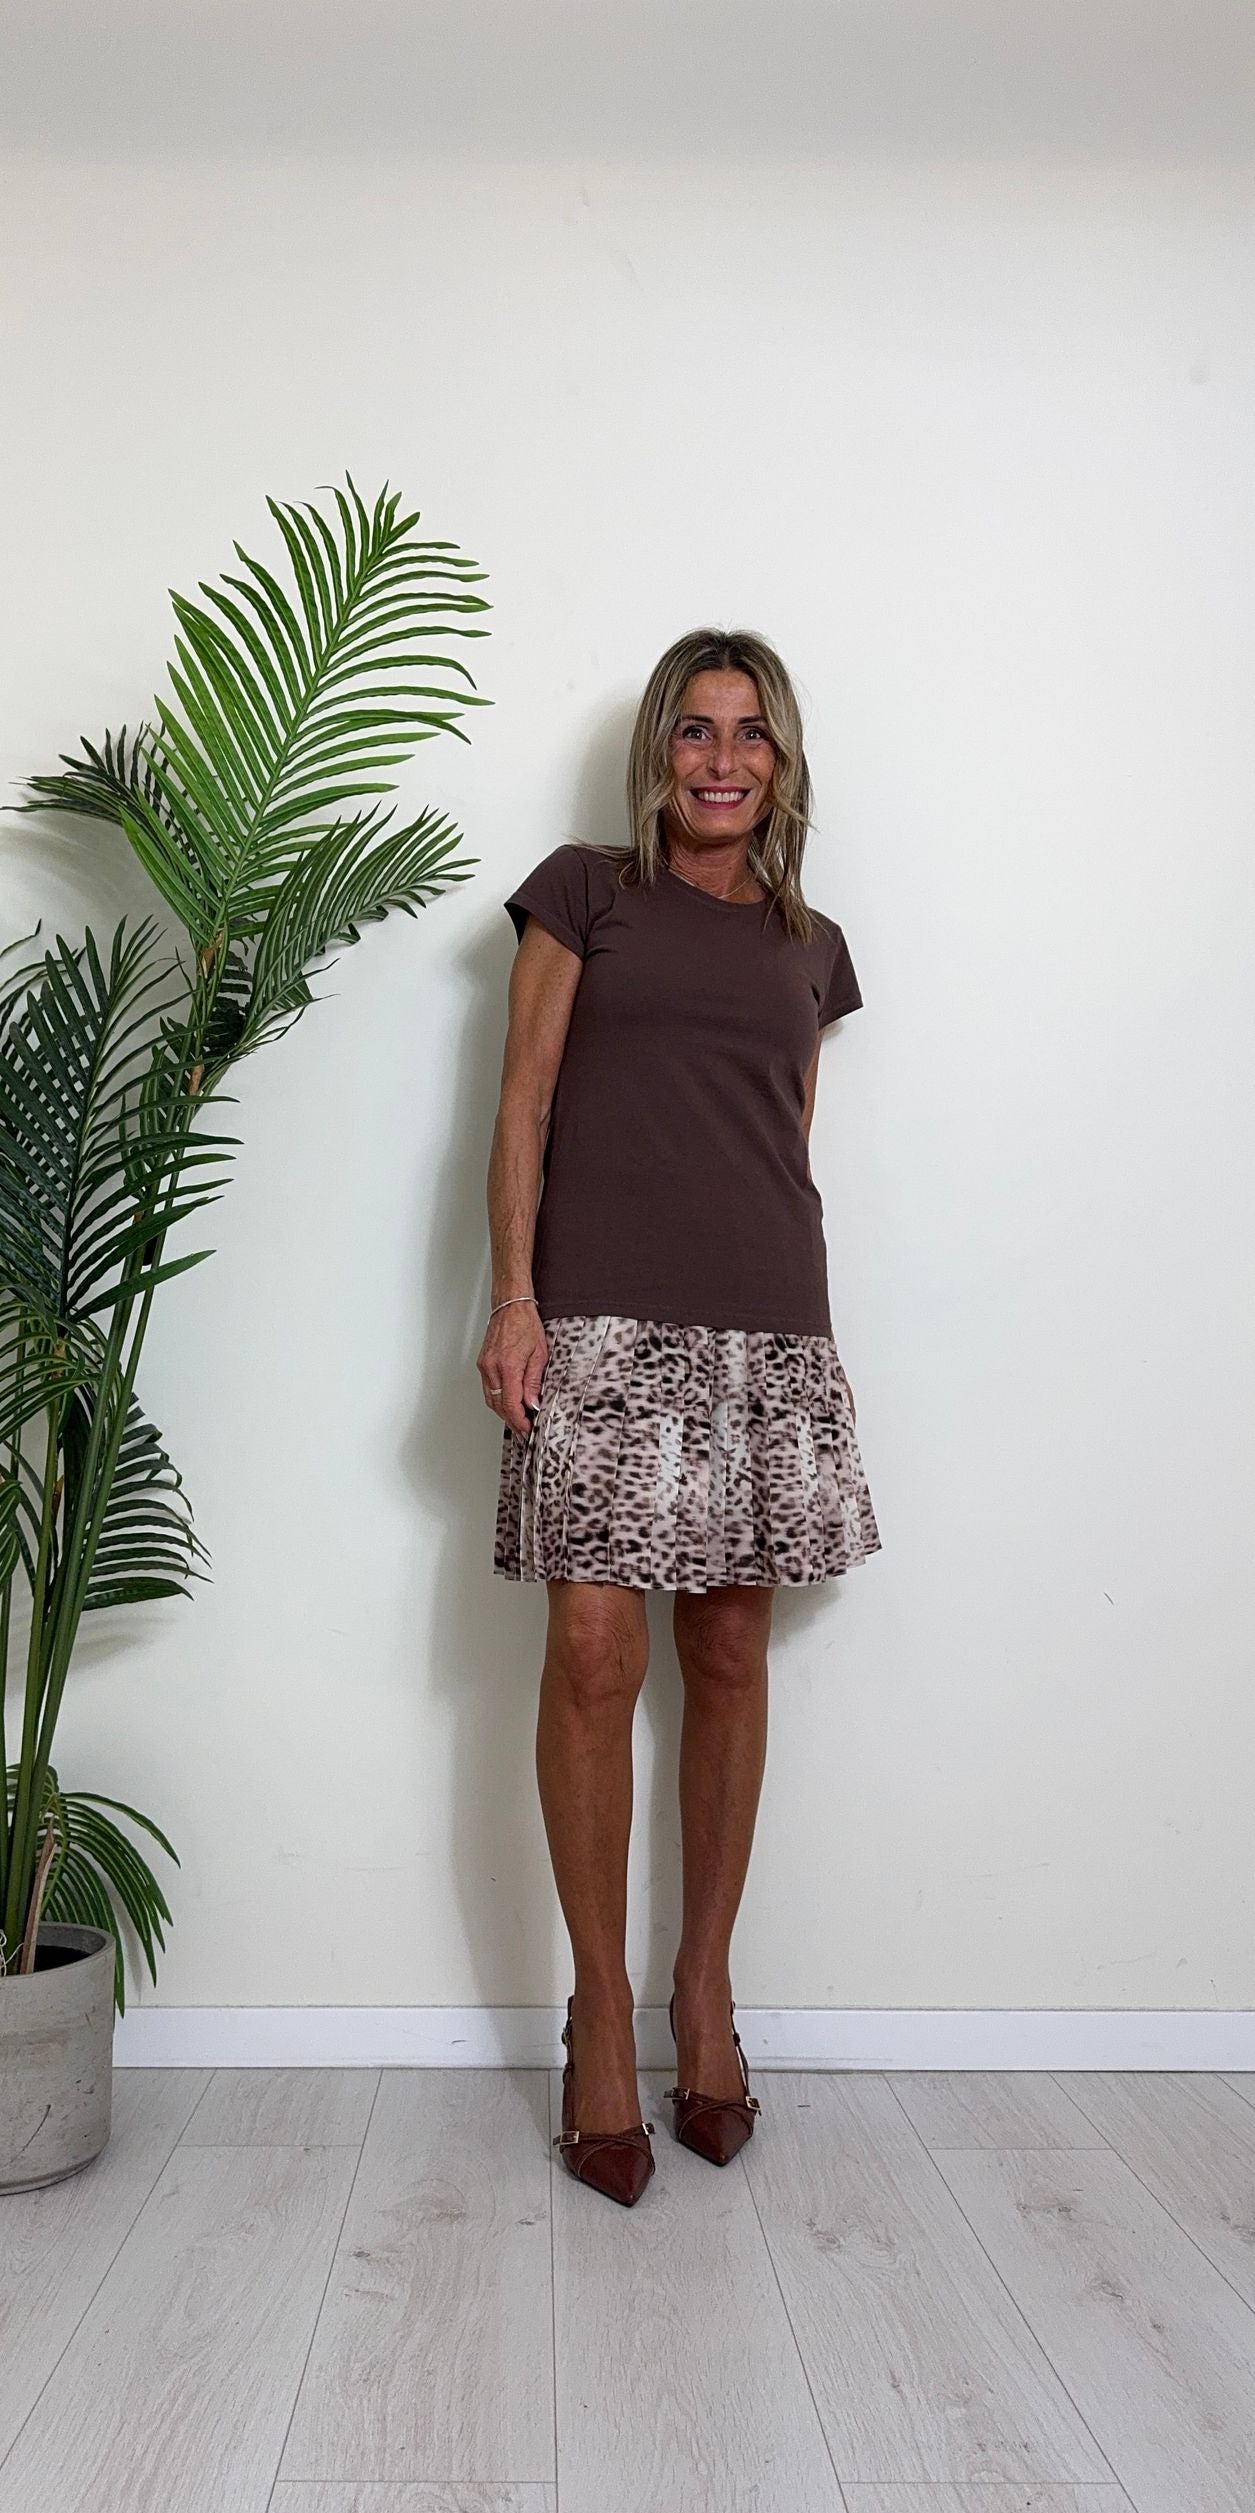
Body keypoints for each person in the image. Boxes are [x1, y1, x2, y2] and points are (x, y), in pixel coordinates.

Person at [477, 629, 882, 2207]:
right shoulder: (584, 894)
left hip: (768, 1326)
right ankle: (598, 2013)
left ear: (783, 763)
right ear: (658, 752)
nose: (722, 760)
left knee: (725, 1651)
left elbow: (782, 1141)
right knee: (593, 1651)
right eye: (695, 731)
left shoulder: (813, 948)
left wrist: (798, 1343)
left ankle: (702, 1994)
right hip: (595, 1319)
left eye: (750, 734)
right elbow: (522, 1102)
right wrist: (516, 1298)